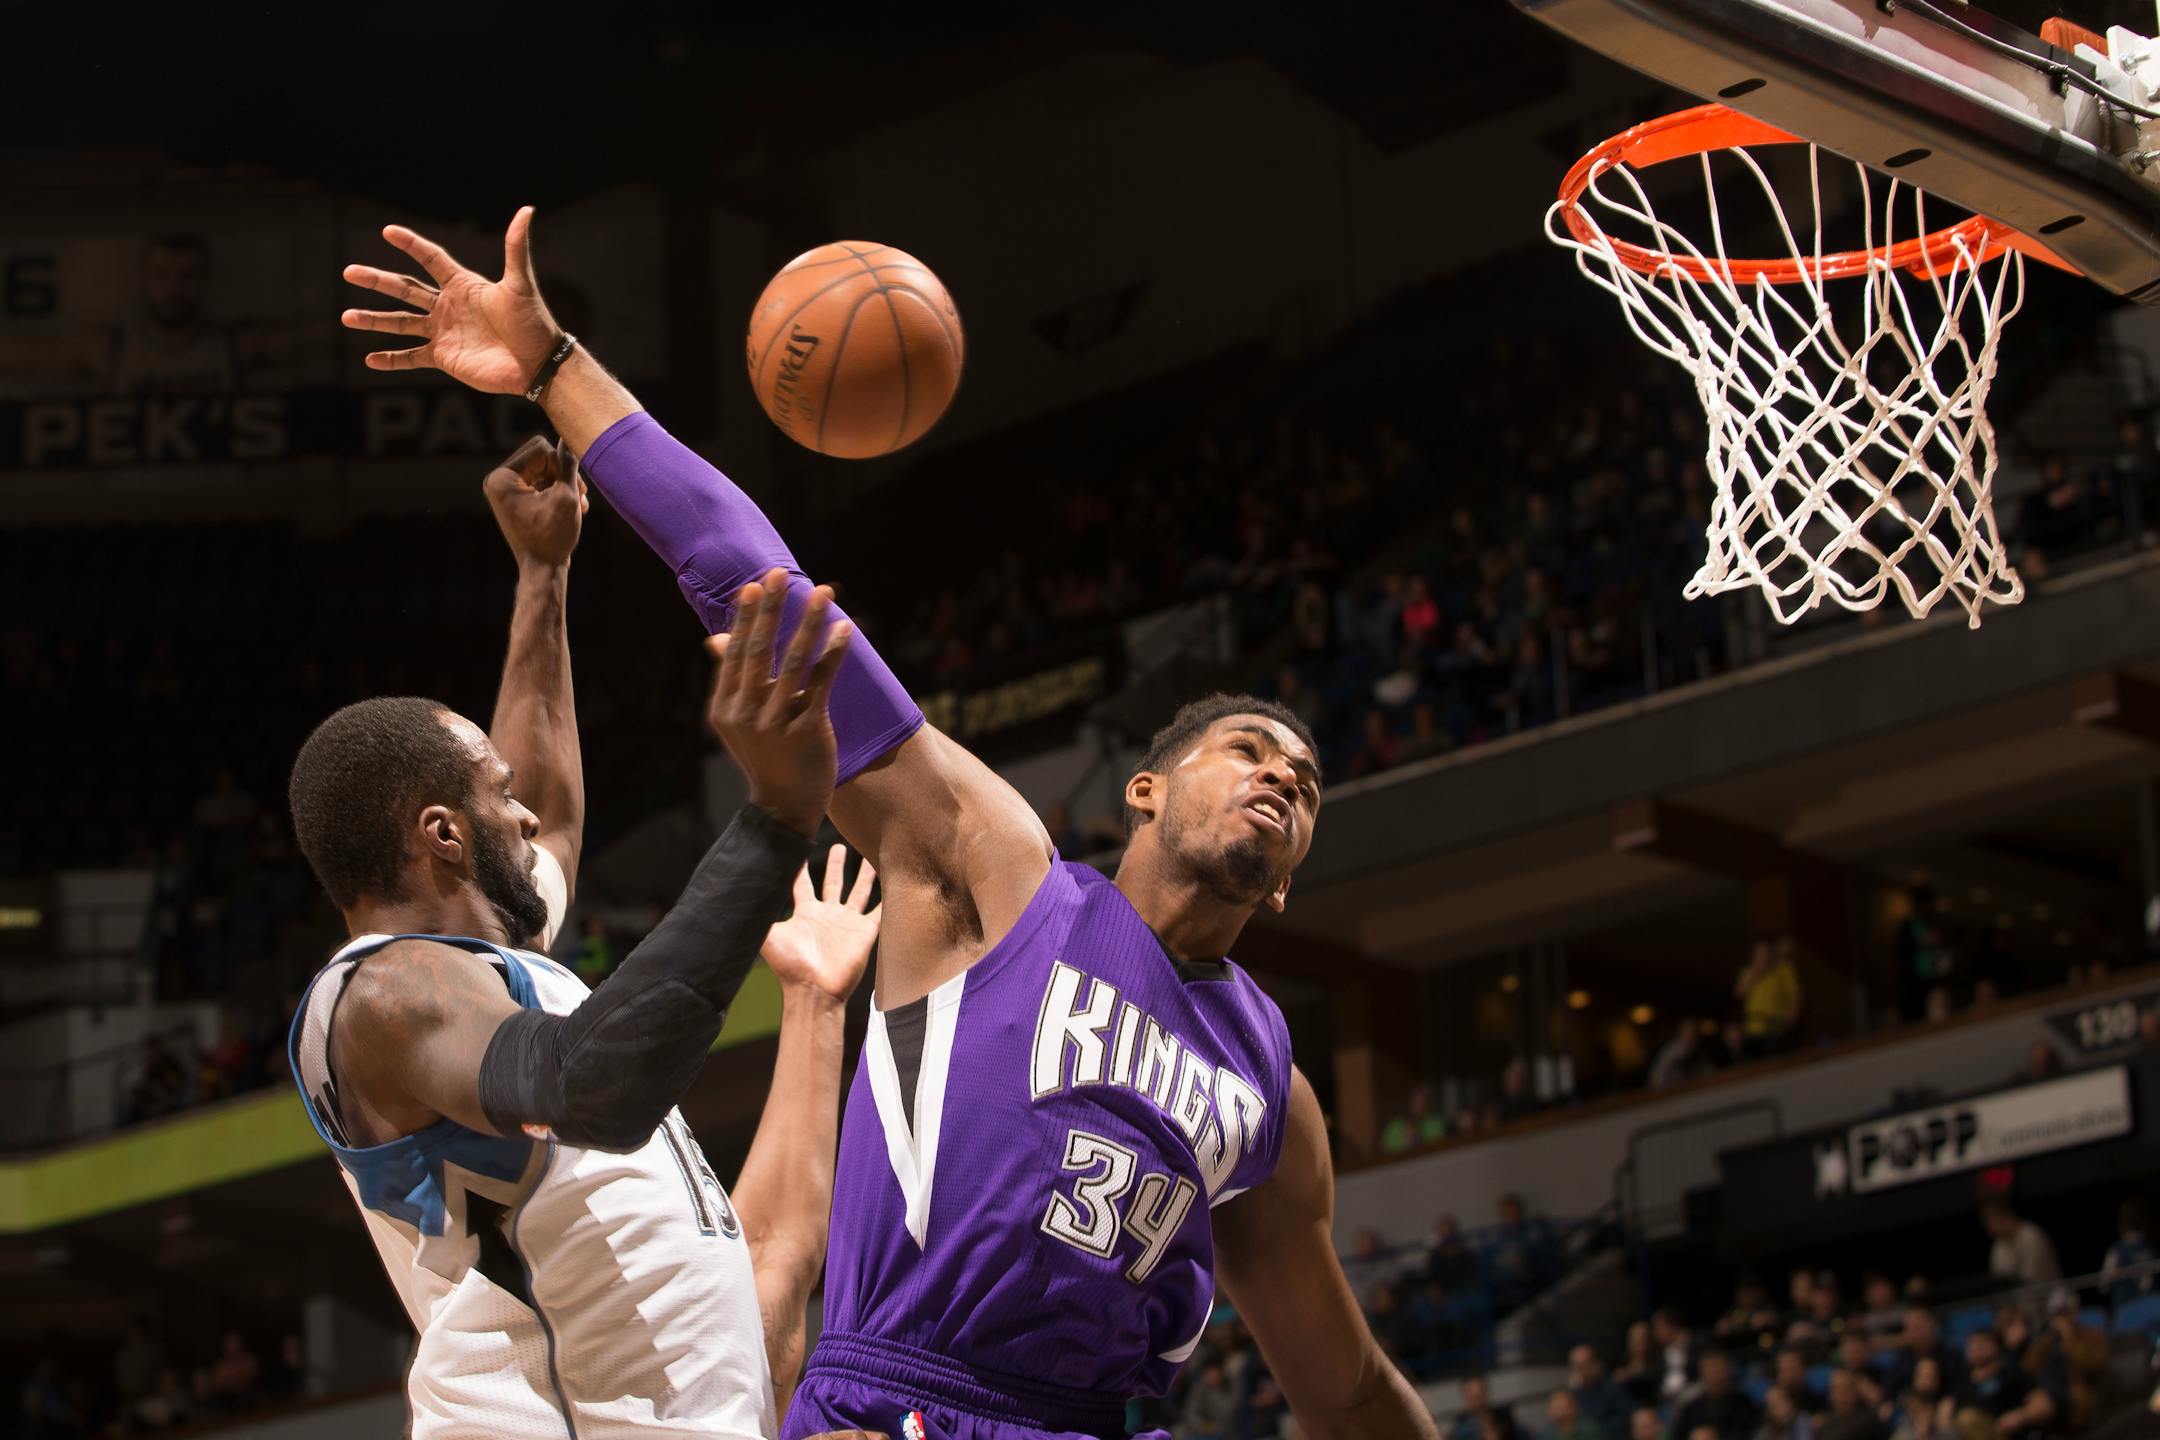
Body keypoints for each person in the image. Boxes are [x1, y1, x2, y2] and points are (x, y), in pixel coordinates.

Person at [341, 213, 1435, 1440]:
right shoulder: (997, 872)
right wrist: (555, 368)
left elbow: (1344, 1384)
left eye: (1306, 782)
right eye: (1246, 749)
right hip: (905, 1406)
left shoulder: (1271, 1089)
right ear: (1144, 788)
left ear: (1285, 882)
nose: (1282, 775)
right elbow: (758, 582)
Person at [284, 437, 880, 1439]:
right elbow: (595, 1085)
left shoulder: (494, 973)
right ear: (443, 835)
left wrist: (543, 572)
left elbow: (552, 813)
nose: (528, 815)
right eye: (497, 795)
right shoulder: (388, 998)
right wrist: (776, 816)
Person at [1950, 1330, 2054, 1440]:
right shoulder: (1962, 1380)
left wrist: (2021, 1416)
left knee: (1967, 1418)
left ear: (1997, 1347)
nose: (1976, 1348)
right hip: (1967, 1433)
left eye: (1983, 1343)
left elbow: (2044, 1406)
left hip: (2007, 1433)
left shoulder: (2011, 1373)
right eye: (1972, 1344)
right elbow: (1947, 1412)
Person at [1735, 936, 1801, 1057]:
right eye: (1759, 953)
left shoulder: (1782, 970)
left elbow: (1795, 997)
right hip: (1752, 1028)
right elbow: (1740, 993)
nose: (1763, 956)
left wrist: (1790, 1018)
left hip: (1775, 1027)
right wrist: (1757, 971)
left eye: (1766, 953)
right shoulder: (1748, 972)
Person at [1674, 1350, 1759, 1440]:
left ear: (1728, 1370)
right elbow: (1678, 1434)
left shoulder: (1743, 1404)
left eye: (1718, 1367)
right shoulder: (1692, 1407)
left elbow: (1748, 1433)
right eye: (1709, 1367)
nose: (1714, 1372)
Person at [1982, 1200, 2062, 1288]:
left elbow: (2032, 1278)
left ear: (2006, 1217)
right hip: (2018, 1295)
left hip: (2049, 1292)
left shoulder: (2031, 1236)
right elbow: (1999, 1280)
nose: (1990, 1230)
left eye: (1992, 1222)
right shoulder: (1998, 1246)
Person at [1570, 1344, 1635, 1437]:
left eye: (1585, 1365)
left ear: (1596, 1364)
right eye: (1577, 1366)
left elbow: (1624, 1419)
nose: (1582, 1371)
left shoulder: (1613, 1388)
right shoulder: (1575, 1394)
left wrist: (1595, 1431)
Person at [2105, 1200, 2157, 1308]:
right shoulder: (2151, 1248)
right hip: (2146, 1306)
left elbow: (2104, 1284)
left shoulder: (2117, 1250)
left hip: (2132, 1307)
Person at [1380, 1082, 1447, 1153]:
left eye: (1423, 1099)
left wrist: (1418, 1136)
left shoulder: (1435, 1123)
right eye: (1416, 1098)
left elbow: (1438, 1149)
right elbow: (1384, 1151)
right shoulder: (1395, 1126)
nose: (1419, 1103)